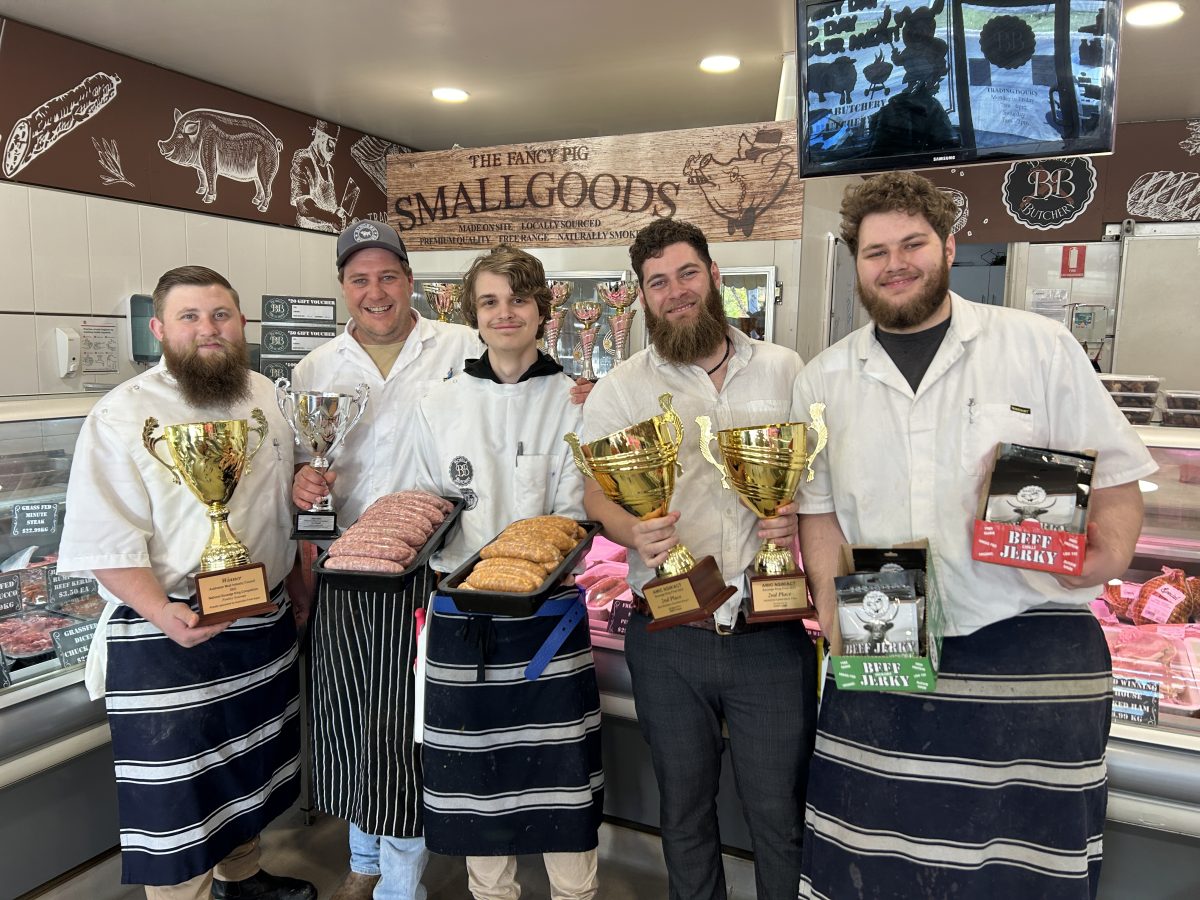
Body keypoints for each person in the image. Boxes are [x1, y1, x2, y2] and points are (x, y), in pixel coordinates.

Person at [792, 171, 1156, 900]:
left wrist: (1103, 556)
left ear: (950, 246)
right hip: (884, 633)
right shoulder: (824, 378)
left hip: (1034, 644)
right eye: (875, 251)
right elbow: (820, 511)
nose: (895, 263)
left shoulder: (1039, 345)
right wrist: (834, 612)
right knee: (871, 859)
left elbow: (1116, 481)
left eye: (913, 244)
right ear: (854, 263)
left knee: (1023, 869)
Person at [578, 219, 817, 900]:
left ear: (714, 276)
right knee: (682, 814)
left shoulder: (783, 368)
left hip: (769, 633)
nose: (675, 292)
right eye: (658, 282)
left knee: (780, 818)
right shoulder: (621, 387)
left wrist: (794, 506)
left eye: (687, 274)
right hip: (668, 630)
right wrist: (631, 529)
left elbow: (818, 472)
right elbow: (595, 489)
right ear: (643, 296)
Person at [57, 266, 314, 900]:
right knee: (180, 800)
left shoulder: (268, 397)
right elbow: (100, 534)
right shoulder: (121, 415)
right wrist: (160, 611)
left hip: (261, 616)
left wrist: (300, 509)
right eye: (190, 317)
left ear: (242, 324)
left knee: (246, 772)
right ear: (159, 328)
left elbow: (270, 505)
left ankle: (242, 877)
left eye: (221, 315)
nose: (208, 330)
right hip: (171, 631)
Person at [289, 220, 483, 900]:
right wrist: (301, 483)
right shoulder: (315, 367)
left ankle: (402, 881)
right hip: (345, 569)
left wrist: (574, 394)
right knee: (348, 717)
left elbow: (518, 393)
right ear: (343, 286)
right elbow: (299, 461)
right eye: (359, 279)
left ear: (410, 281)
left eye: (388, 276)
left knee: (404, 727)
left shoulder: (459, 345)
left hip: (432, 569)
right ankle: (365, 854)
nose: (376, 292)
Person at [410, 244, 603, 900]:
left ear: (543, 308)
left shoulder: (579, 401)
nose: (504, 313)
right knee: (476, 791)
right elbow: (426, 506)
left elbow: (584, 518)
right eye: (489, 301)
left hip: (549, 624)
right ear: (474, 312)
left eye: (518, 299)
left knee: (562, 784)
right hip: (464, 628)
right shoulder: (437, 404)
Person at [290, 119, 354, 232]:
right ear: (319, 138)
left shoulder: (330, 170)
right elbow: (302, 206)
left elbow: (327, 205)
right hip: (307, 234)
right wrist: (331, 217)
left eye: (335, 146)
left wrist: (337, 213)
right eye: (330, 144)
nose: (333, 151)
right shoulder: (303, 159)